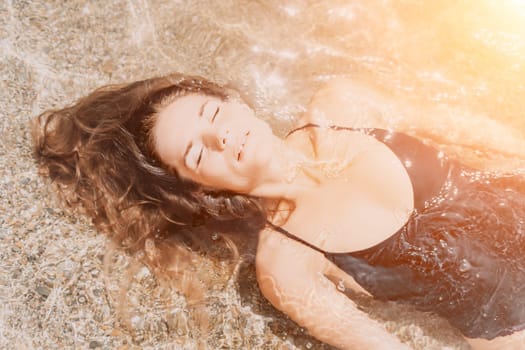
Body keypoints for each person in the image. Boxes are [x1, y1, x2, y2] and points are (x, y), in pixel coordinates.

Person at [32, 73, 525, 349]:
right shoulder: (286, 263)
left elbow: (470, 132)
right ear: (199, 189)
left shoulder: (344, 105)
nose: (220, 136)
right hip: (509, 324)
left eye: (212, 113)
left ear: (236, 102)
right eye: (199, 154)